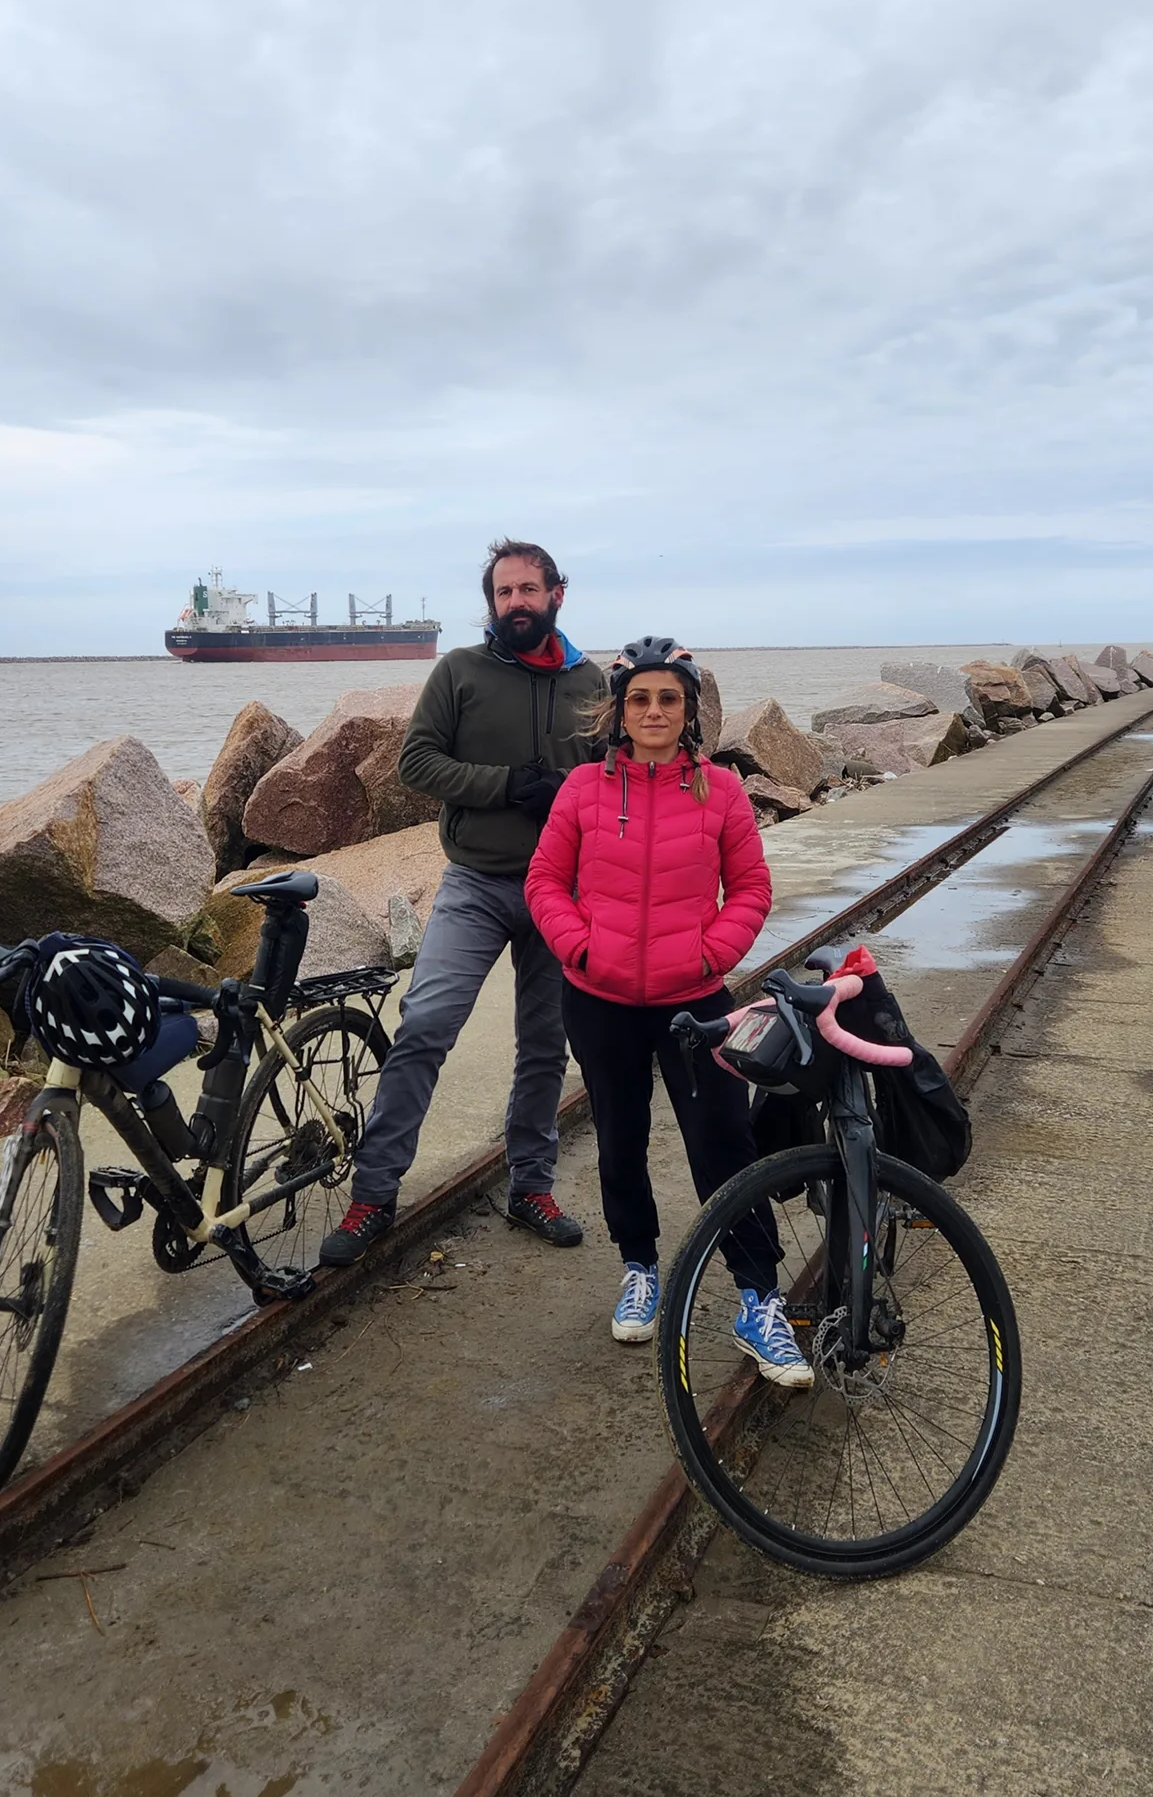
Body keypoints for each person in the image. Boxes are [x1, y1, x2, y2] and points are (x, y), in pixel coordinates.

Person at [524, 640, 812, 1384]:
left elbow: (750, 887)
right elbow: (545, 880)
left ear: (689, 711)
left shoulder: (722, 791)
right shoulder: (583, 788)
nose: (654, 711)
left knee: (723, 1143)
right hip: (599, 999)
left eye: (669, 699)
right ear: (619, 711)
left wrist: (712, 954)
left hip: (696, 1004)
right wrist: (580, 948)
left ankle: (758, 1298)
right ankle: (640, 1267)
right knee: (619, 1141)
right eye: (640, 698)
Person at [319, 538, 611, 1265]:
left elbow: (615, 779)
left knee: (545, 1044)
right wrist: (508, 785)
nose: (516, 603)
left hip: (562, 889)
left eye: (528, 590)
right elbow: (417, 763)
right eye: (503, 592)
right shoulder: (459, 671)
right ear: (492, 602)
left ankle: (531, 1186)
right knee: (425, 1024)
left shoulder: (592, 682)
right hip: (476, 883)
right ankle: (373, 1196)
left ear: (557, 595)